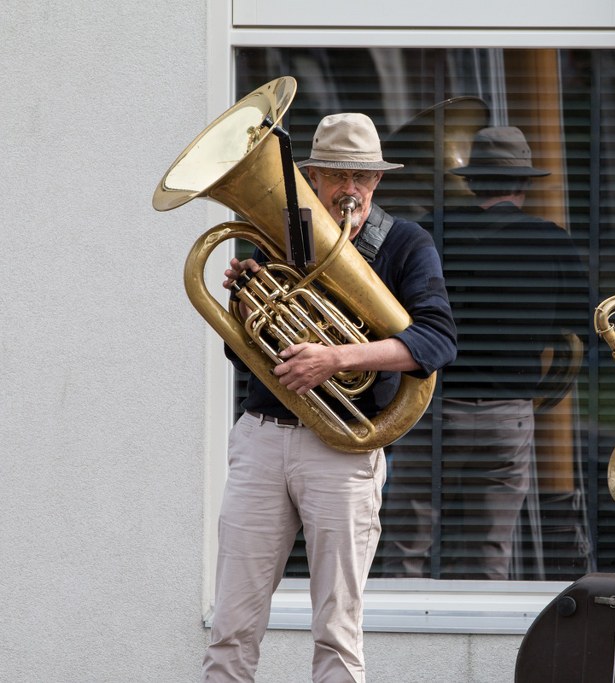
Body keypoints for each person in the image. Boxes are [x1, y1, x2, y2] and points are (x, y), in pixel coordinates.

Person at [201, 113, 457, 683]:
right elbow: (246, 359)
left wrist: (337, 358)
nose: (349, 189)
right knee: (231, 625)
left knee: (338, 632)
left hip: (342, 450)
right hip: (263, 439)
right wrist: (249, 310)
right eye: (337, 174)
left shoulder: (406, 244)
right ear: (311, 176)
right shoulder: (275, 237)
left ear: (378, 181)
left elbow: (438, 340)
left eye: (361, 176)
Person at [380, 126, 587, 580]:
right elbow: (580, 331)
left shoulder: (430, 233)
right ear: (525, 183)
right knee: (489, 552)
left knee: (406, 548)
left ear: (471, 180)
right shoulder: (552, 241)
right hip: (508, 418)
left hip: (430, 410)